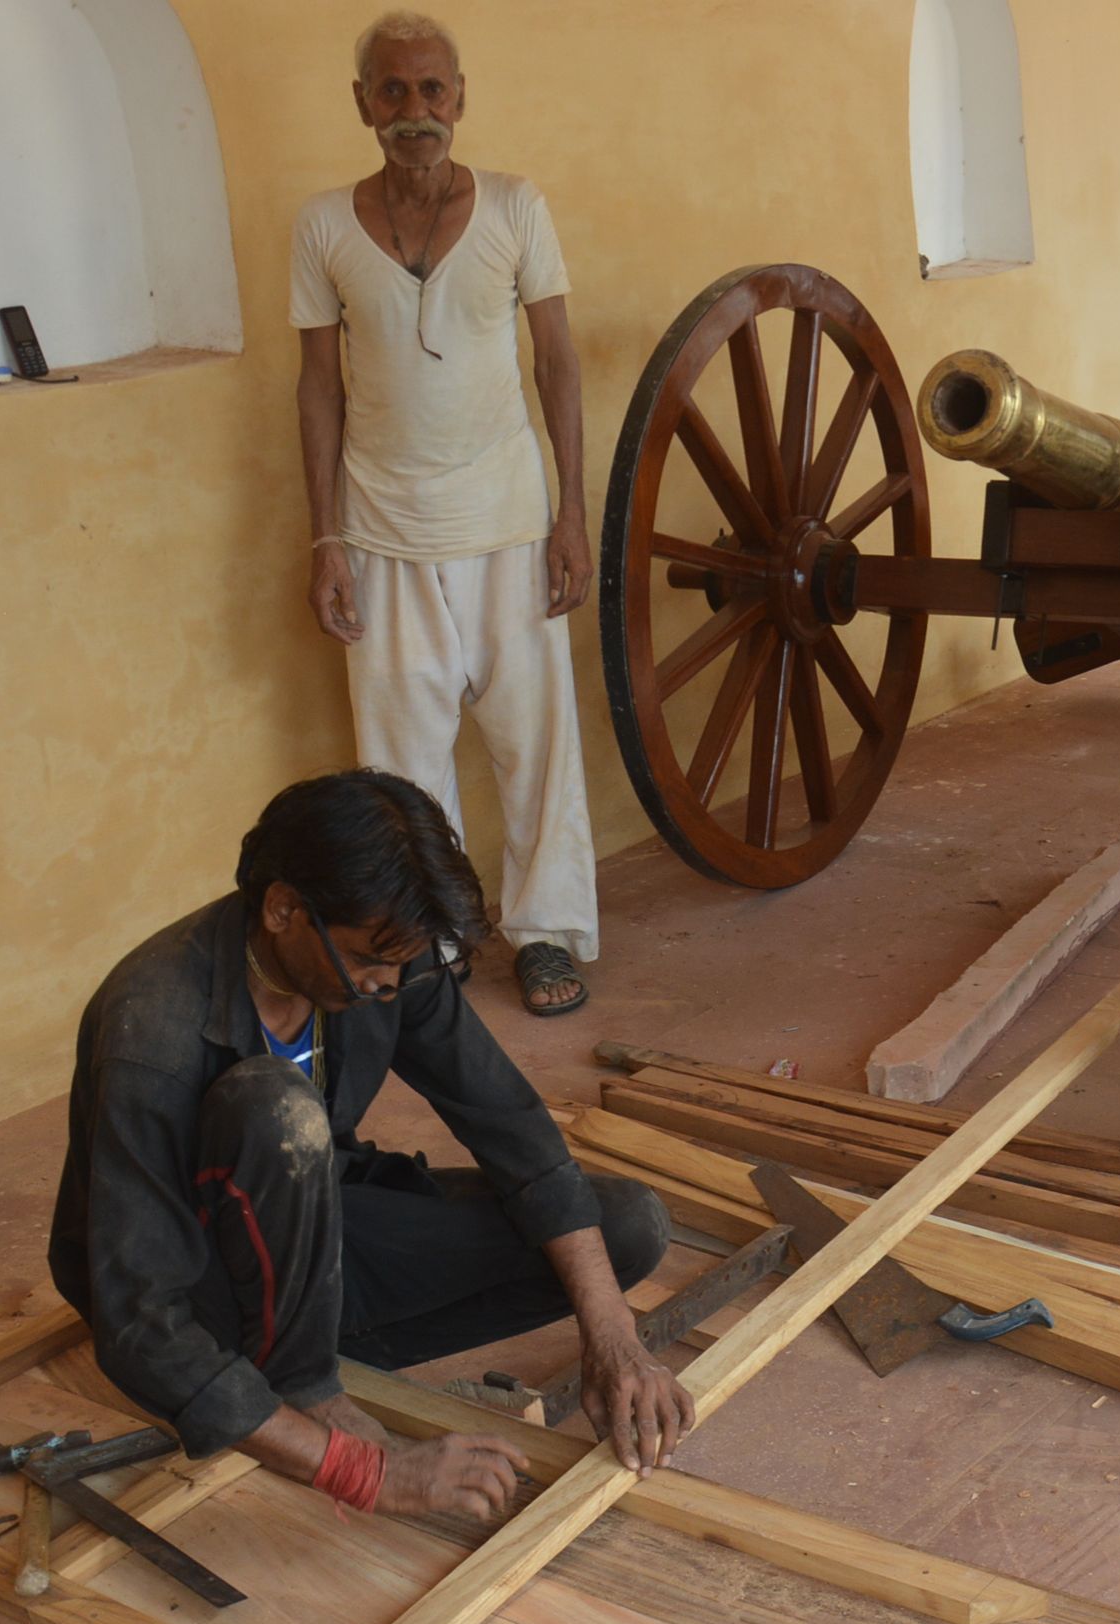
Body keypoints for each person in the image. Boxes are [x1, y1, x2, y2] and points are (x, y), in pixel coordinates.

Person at [48, 771, 692, 1521]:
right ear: (284, 907)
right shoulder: (153, 1026)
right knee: (274, 1108)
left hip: (307, 1237)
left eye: (402, 962)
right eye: (368, 960)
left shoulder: (387, 954)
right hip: (199, 1288)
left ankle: (297, 1382)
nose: (389, 981)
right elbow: (138, 1319)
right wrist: (370, 1474)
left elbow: (509, 1125)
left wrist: (615, 1337)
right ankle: (294, 1391)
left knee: (622, 1231)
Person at [293, 9, 598, 1017]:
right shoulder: (325, 226)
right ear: (362, 105)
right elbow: (318, 387)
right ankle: (426, 942)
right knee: (400, 765)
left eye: (431, 91)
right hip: (381, 533)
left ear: (459, 100)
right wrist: (325, 537)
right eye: (392, 91)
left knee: (535, 740)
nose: (413, 112)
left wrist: (571, 518)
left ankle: (548, 932)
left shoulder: (516, 207)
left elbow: (557, 361)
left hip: (509, 521)